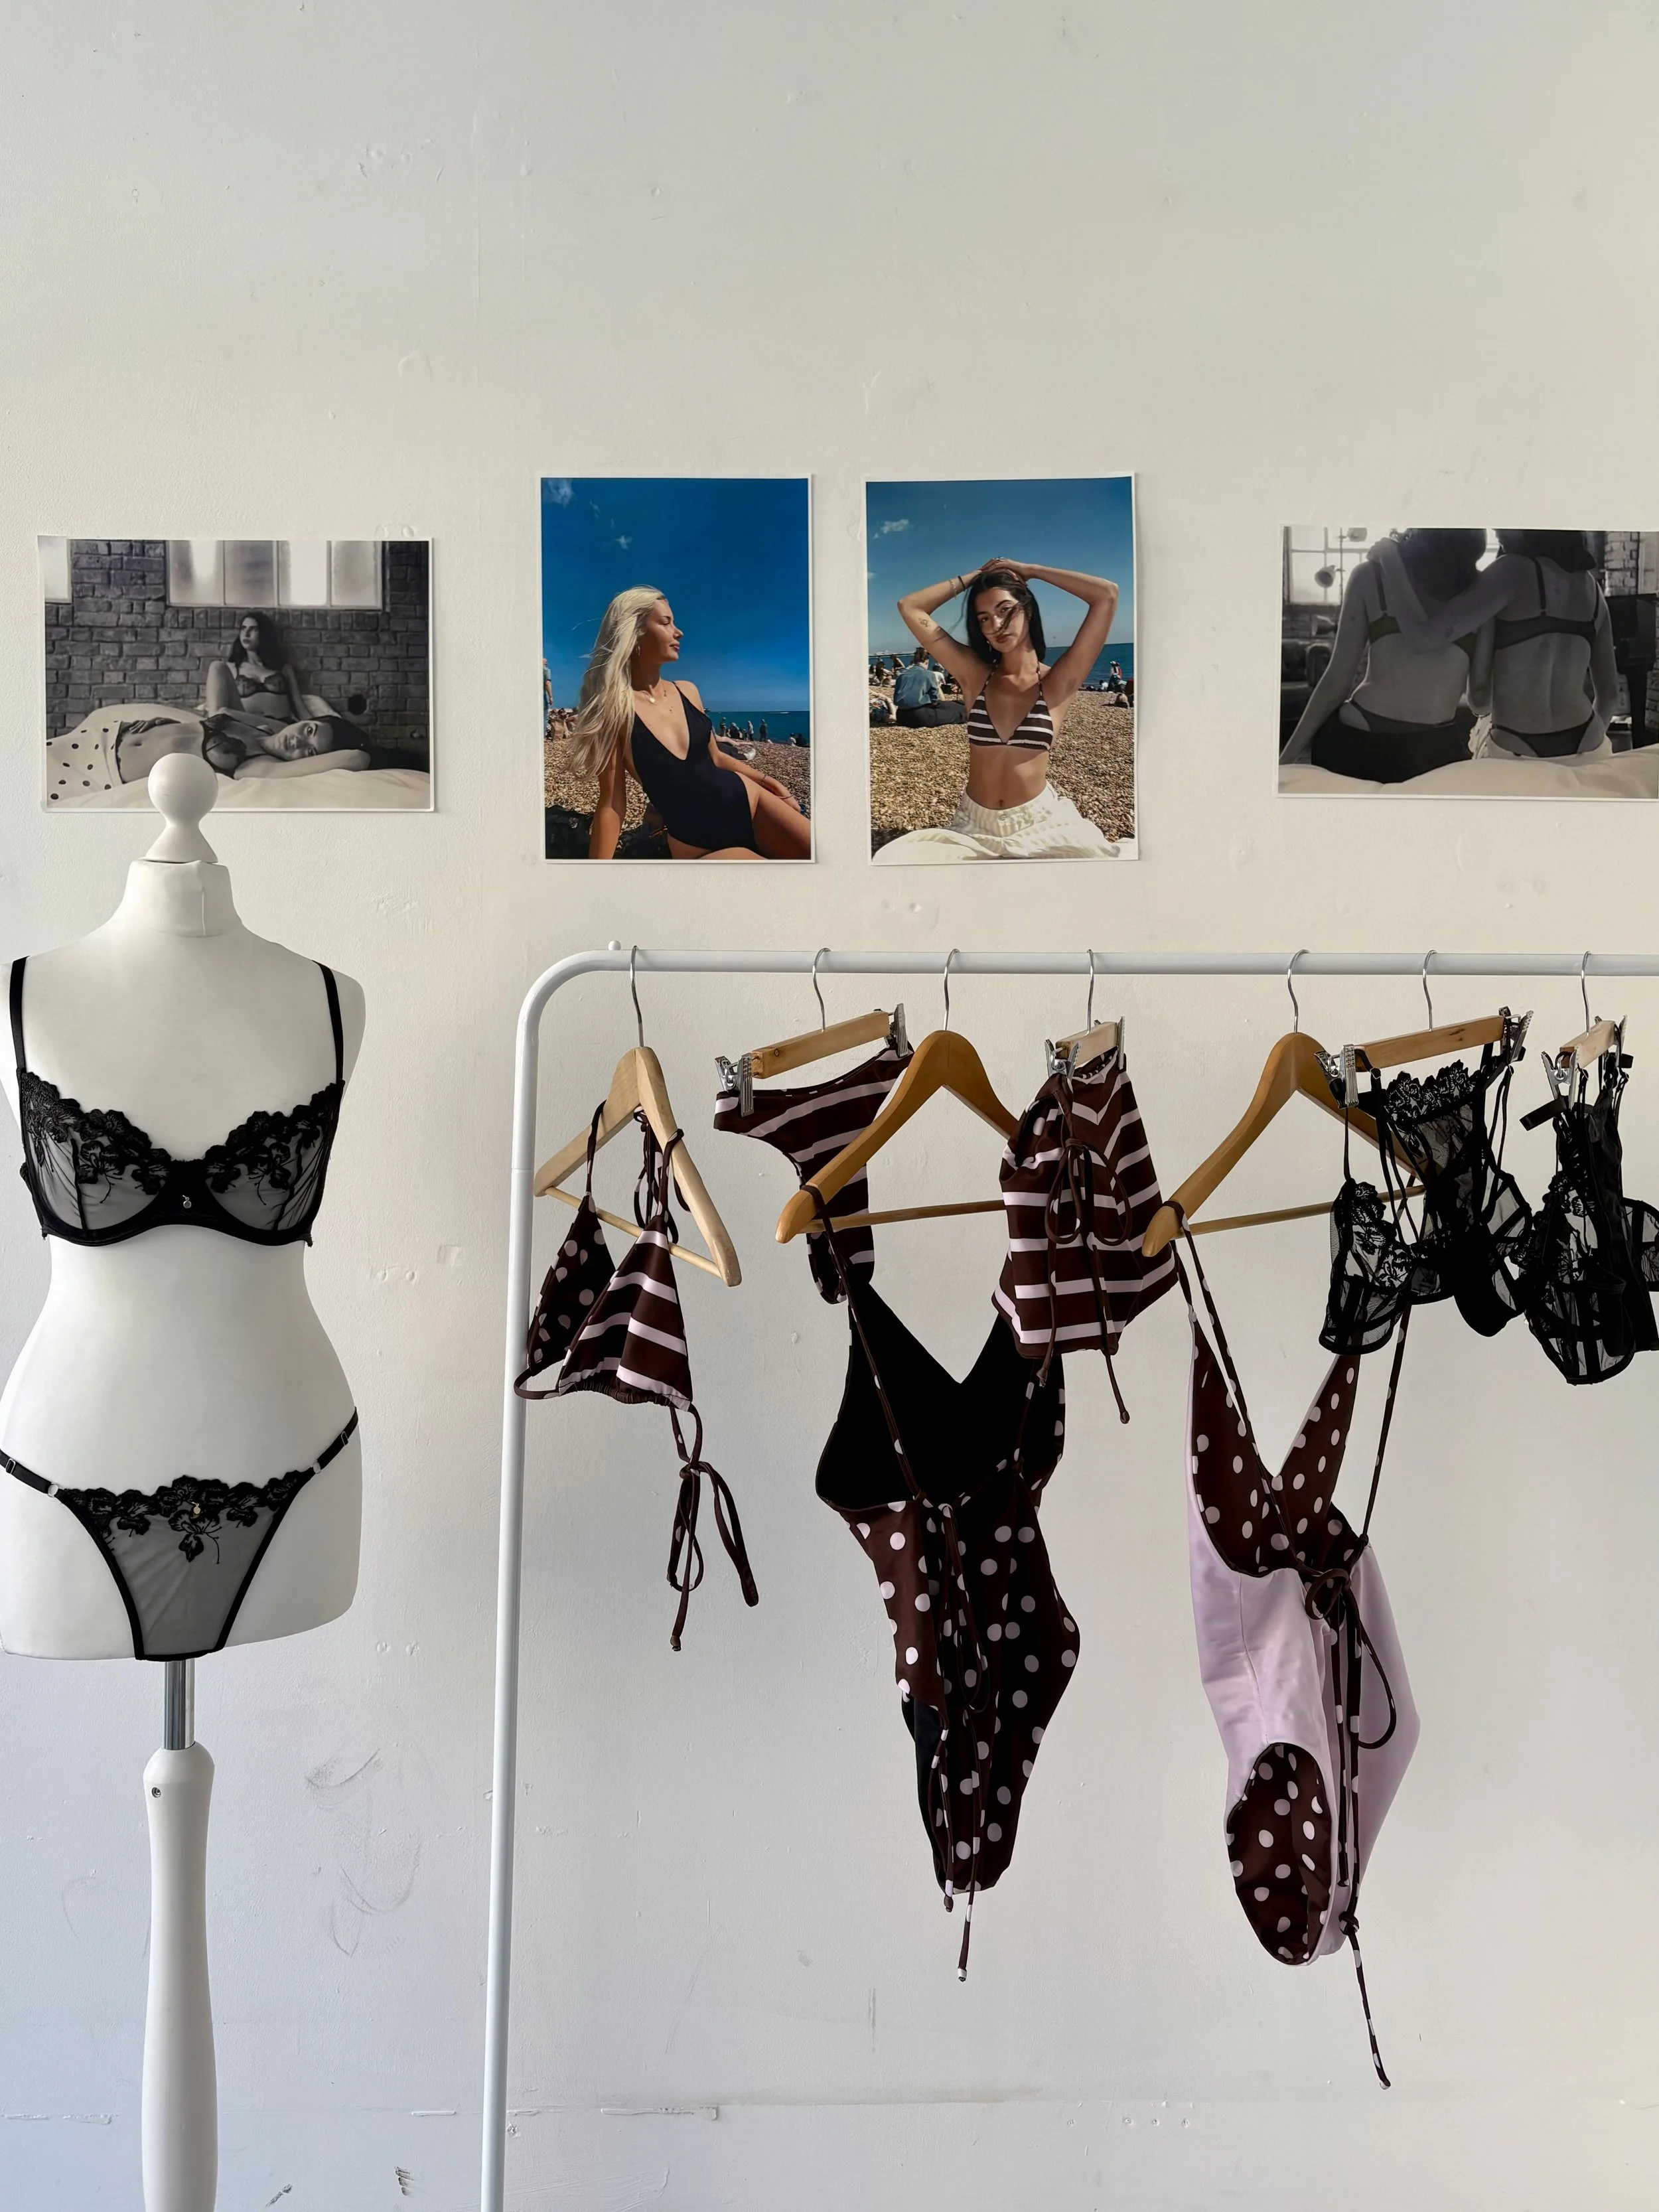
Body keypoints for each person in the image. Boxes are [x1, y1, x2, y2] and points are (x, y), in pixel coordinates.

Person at [875, 558, 1121, 859]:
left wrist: (1031, 572)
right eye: (984, 618)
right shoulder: (974, 675)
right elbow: (910, 606)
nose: (996, 626)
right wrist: (977, 577)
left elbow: (1106, 594)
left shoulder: (1058, 682)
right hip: (975, 825)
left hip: (1039, 823)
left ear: (1027, 609)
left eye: (1005, 610)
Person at [571, 587, 811, 860]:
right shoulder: (613, 710)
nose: (679, 632)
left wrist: (770, 782)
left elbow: (716, 758)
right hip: (699, 843)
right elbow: (612, 805)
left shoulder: (688, 691)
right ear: (634, 632)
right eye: (665, 622)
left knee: (825, 865)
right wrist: (593, 879)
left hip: (752, 802)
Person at [1370, 530, 1619, 760]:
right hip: (1588, 744)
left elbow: (1423, 638)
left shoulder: (1512, 571)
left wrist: (1390, 559)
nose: (1496, 526)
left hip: (1519, 747)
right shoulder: (1593, 590)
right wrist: (1589, 747)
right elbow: (1609, 695)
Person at [1280, 530, 1492, 781]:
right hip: (1430, 751)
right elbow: (1480, 700)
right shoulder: (1486, 593)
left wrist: (1285, 762)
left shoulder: (1371, 575)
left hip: (1354, 739)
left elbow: (1336, 681)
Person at [204, 613, 311, 729]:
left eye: (253, 629)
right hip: (247, 727)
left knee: (225, 713)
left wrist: (322, 725)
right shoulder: (232, 668)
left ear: (264, 634)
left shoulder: (284, 669)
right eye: (243, 628)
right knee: (217, 666)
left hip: (278, 727)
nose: (246, 634)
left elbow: (301, 709)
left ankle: (214, 727)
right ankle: (214, 727)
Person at [891, 646, 966, 728]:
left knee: (948, 706)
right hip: (919, 716)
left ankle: (963, 705)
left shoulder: (902, 675)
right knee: (957, 714)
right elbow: (934, 698)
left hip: (901, 715)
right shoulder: (929, 674)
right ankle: (967, 709)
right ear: (926, 662)